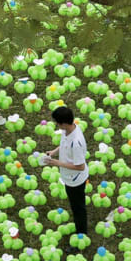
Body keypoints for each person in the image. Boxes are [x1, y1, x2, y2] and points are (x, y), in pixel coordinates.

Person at [44, 106, 89, 253]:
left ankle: (81, 237)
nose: (57, 126)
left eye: (57, 123)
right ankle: (79, 230)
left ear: (64, 123)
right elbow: (63, 143)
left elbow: (80, 166)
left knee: (78, 209)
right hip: (69, 176)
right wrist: (54, 152)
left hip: (75, 180)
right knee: (76, 205)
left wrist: (57, 163)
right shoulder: (69, 129)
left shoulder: (76, 142)